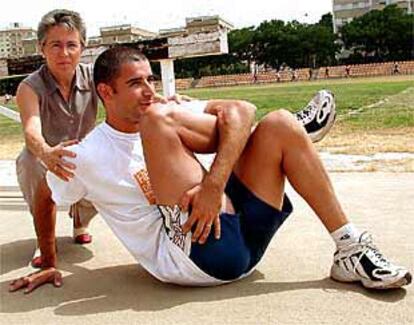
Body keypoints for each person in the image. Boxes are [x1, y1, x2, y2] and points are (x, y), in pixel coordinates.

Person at [12, 47, 410, 294]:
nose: (149, 90)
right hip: (194, 257)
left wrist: (213, 184)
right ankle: (285, 140)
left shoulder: (163, 110)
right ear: (106, 92)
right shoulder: (88, 153)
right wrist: (49, 260)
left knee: (279, 123)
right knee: (163, 120)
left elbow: (241, 109)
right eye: (136, 83)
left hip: (239, 233)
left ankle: (351, 249)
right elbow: (48, 194)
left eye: (150, 79)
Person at [15, 9, 98, 268]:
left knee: (112, 160)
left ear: (82, 47)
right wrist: (46, 152)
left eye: (71, 45)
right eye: (55, 45)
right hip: (47, 153)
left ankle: (80, 221)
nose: (64, 53)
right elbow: (31, 128)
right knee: (28, 161)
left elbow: (130, 96)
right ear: (42, 48)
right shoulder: (29, 87)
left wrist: (164, 101)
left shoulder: (95, 76)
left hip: (83, 153)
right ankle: (44, 238)